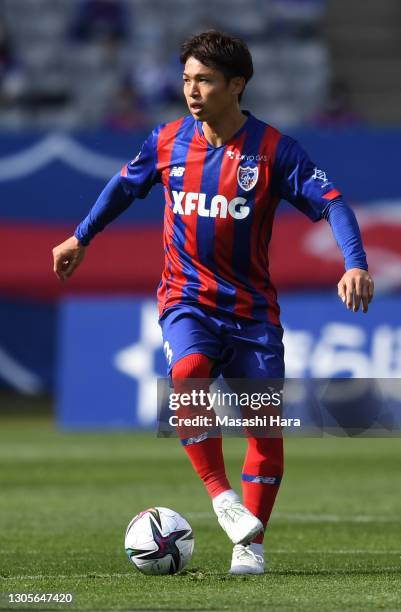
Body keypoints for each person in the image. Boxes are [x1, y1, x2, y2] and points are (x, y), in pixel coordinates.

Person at [52, 30, 374, 575]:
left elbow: (333, 204)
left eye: (203, 80)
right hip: (187, 300)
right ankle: (222, 499)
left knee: (265, 433)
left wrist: (356, 261)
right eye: (186, 80)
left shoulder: (275, 151)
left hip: (252, 313)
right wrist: (81, 235)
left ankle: (250, 546)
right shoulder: (167, 140)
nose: (191, 90)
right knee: (190, 371)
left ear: (236, 85)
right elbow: (122, 187)